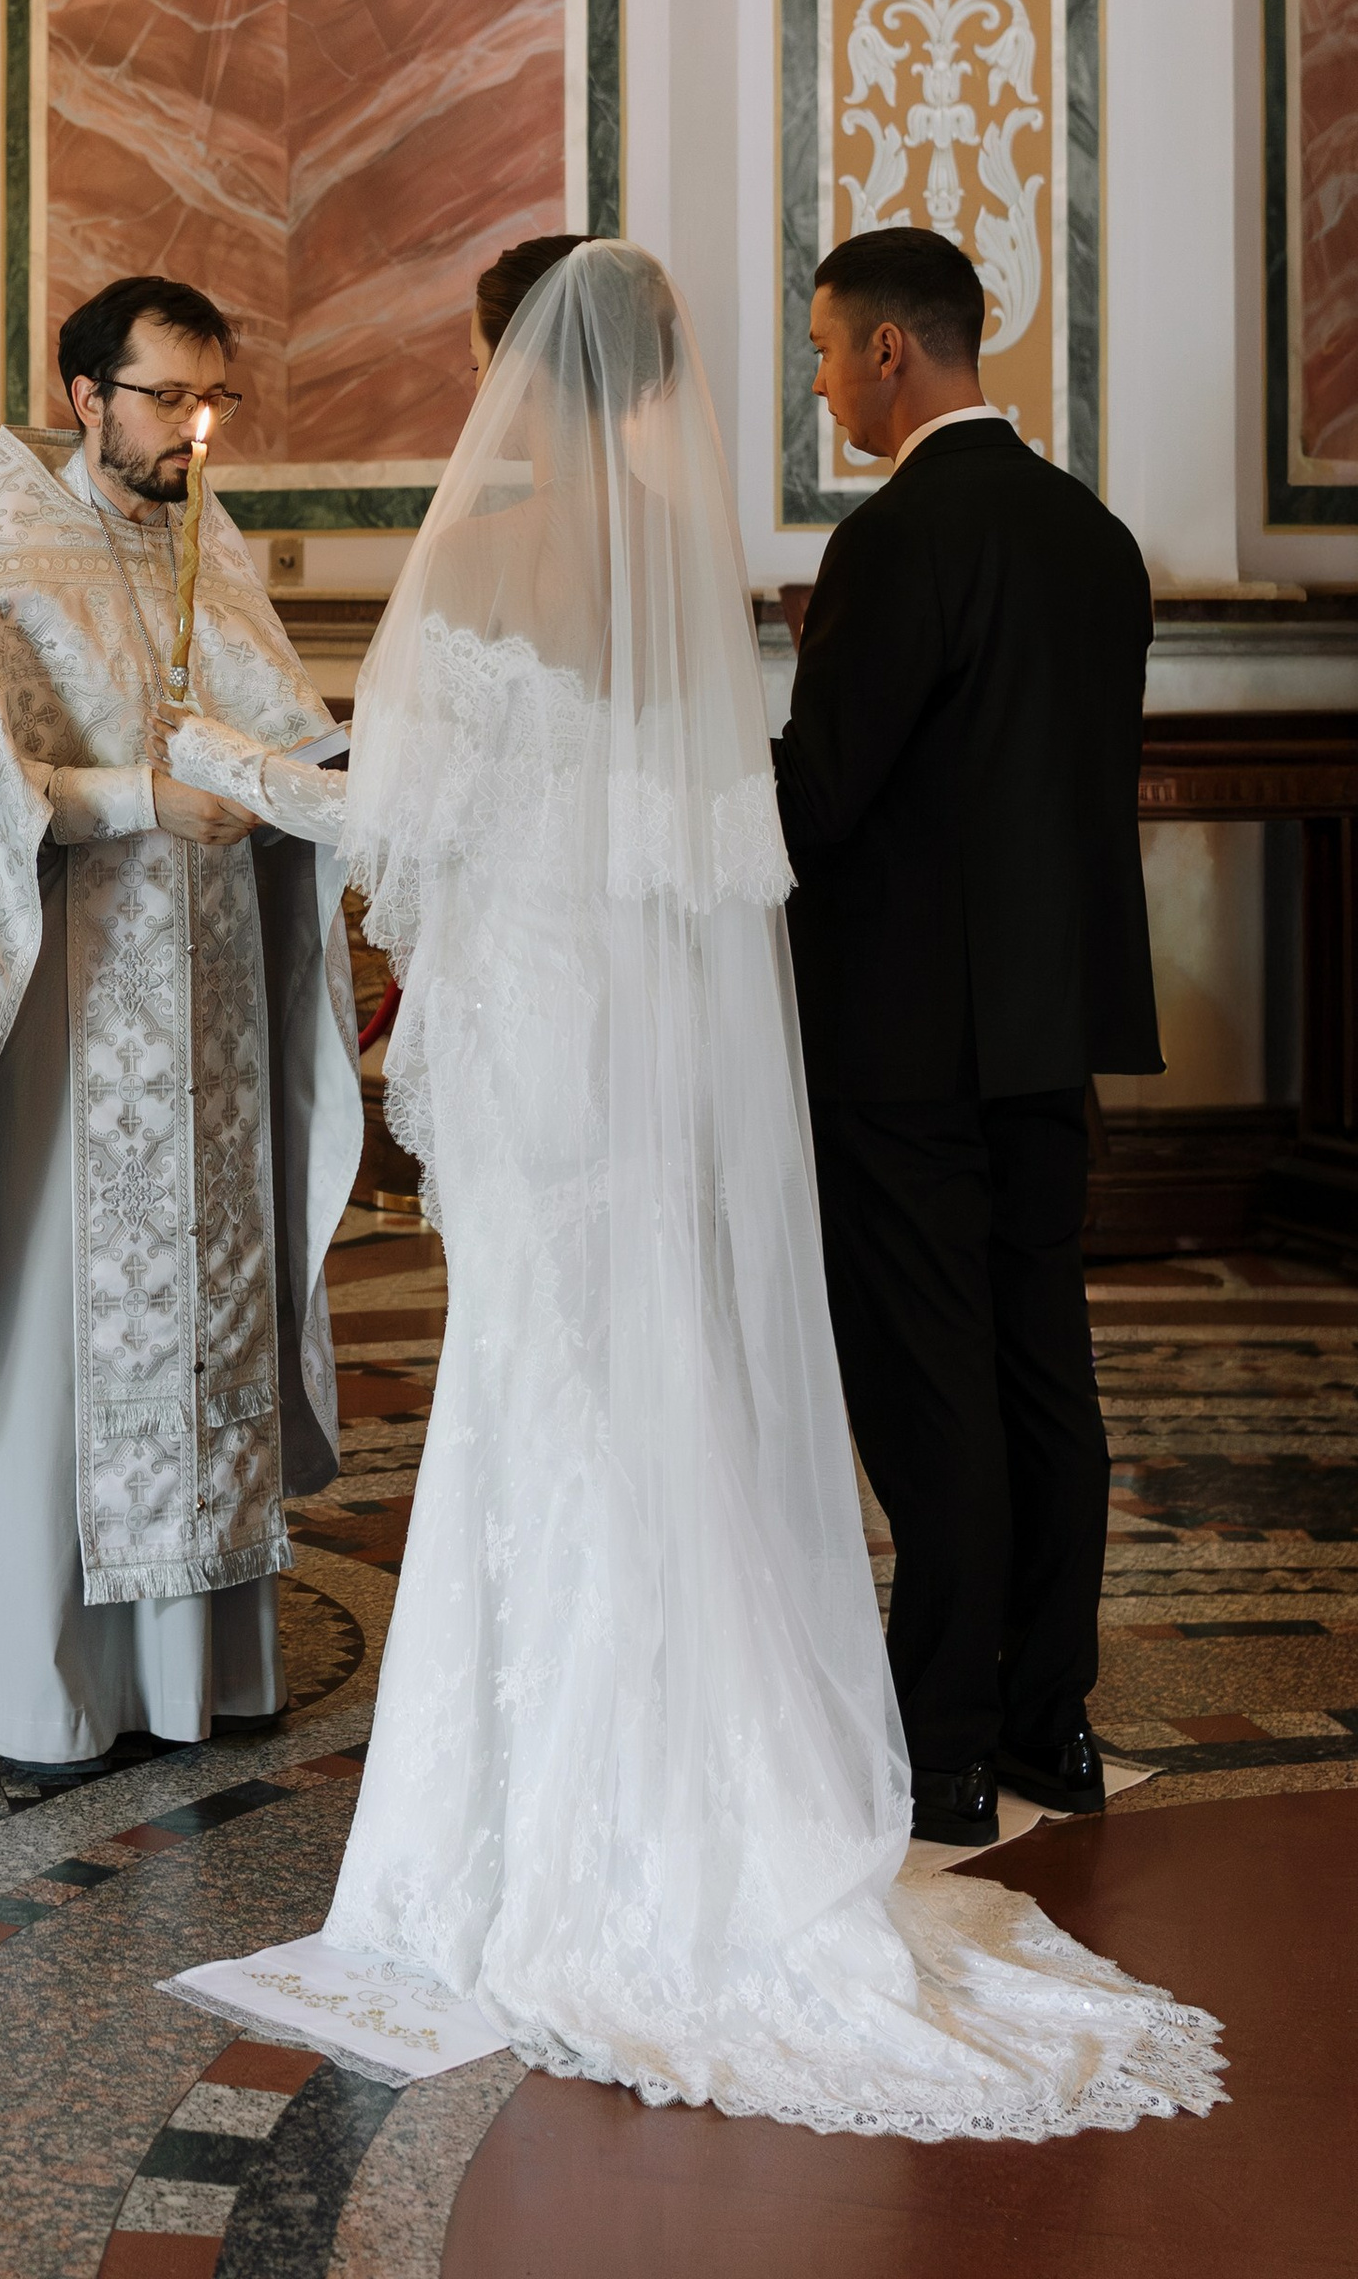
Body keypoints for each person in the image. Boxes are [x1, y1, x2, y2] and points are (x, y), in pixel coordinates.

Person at [166, 240, 1218, 2136]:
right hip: (672, 1048)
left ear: (509, 367)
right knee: (677, 1383)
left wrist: (227, 761)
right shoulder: (692, 556)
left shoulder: (489, 548)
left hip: (556, 1050)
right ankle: (810, 1754)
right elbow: (723, 830)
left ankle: (549, 1820)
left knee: (539, 1392)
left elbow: (405, 813)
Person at [0, 273, 361, 1777]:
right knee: (68, 1337)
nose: (198, 431)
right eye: (169, 401)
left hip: (211, 1016)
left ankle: (195, 1670)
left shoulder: (214, 540)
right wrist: (140, 798)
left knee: (205, 1325)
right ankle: (45, 1676)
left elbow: (276, 735)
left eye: (216, 402)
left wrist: (298, 793)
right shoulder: (10, 552)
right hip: (70, 1008)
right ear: (85, 397)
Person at [774, 224, 1161, 1849]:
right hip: (1048, 1029)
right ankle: (1048, 1723)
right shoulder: (1096, 538)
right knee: (1041, 1371)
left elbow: (823, 795)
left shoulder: (897, 539)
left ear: (888, 351)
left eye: (822, 349)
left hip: (903, 1041)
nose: (819, 380)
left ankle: (941, 1751)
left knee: (931, 1390)